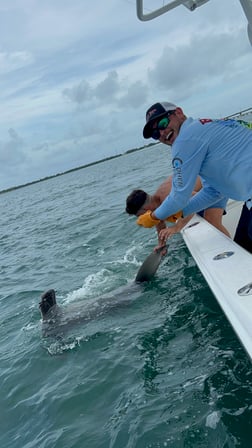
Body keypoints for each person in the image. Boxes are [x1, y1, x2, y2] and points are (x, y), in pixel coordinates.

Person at [137, 102, 252, 253]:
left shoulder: (185, 139)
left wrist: (152, 217)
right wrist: (180, 213)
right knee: (244, 246)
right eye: (155, 134)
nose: (162, 133)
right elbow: (214, 192)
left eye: (163, 123)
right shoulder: (202, 129)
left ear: (179, 112)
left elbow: (179, 197)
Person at [126, 176, 230, 250]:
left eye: (140, 216)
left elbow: (195, 202)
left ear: (145, 210)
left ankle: (233, 250)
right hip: (203, 189)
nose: (142, 218)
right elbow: (159, 222)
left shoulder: (167, 195)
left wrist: (176, 227)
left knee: (212, 221)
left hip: (214, 184)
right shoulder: (157, 203)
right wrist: (161, 244)